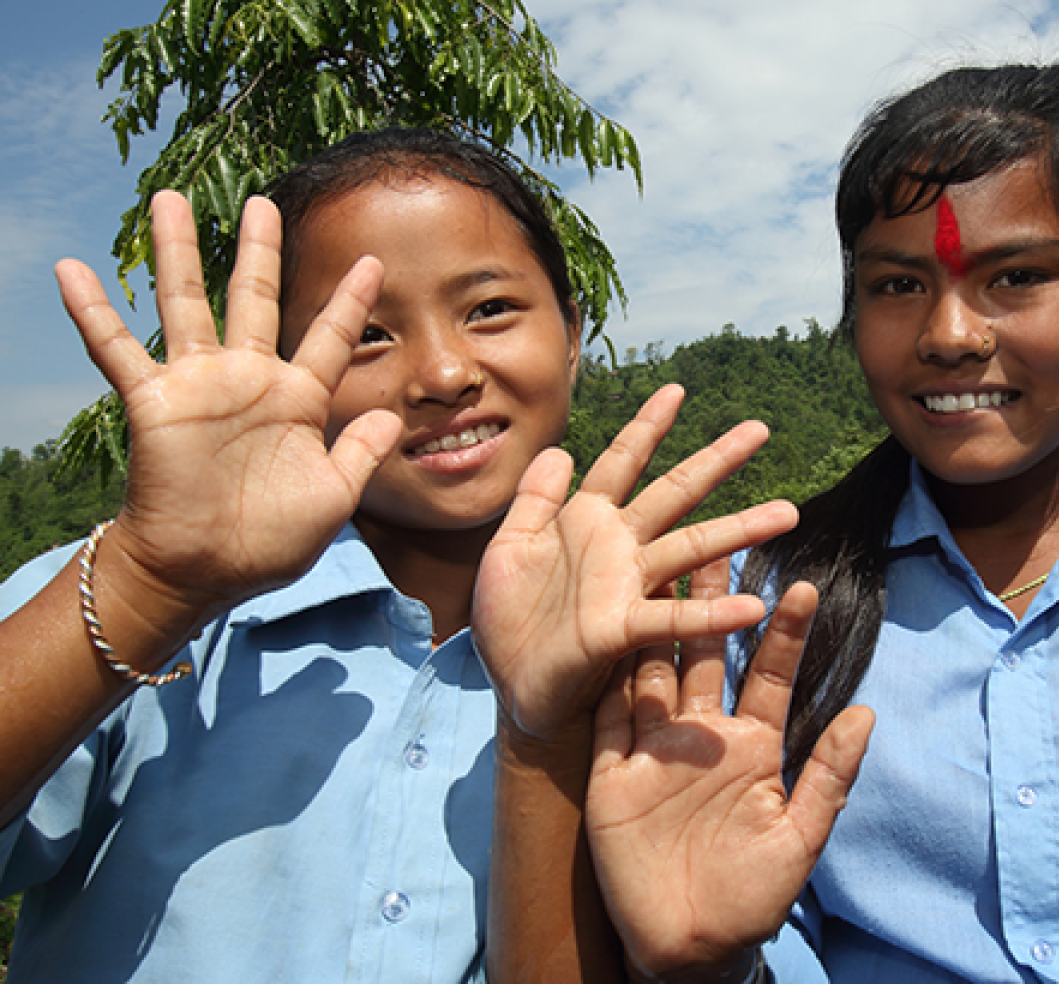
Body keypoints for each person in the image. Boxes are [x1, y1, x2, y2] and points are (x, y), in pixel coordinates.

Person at [0, 127, 871, 983]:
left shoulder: (669, 673)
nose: (445, 373)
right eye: (366, 336)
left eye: (489, 309)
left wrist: (701, 968)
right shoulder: (138, 612)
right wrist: (150, 584)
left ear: (572, 332)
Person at [585, 63, 1059, 983]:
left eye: (1018, 276)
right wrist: (708, 961)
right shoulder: (765, 615)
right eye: (898, 285)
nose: (950, 333)